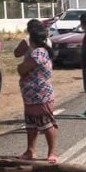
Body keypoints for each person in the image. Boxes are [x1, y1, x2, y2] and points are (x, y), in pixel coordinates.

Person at [17, 26, 58, 162]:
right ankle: (30, 150)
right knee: (31, 124)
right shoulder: (40, 51)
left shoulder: (38, 53)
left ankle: (51, 152)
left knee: (46, 123)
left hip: (41, 95)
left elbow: (22, 69)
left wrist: (20, 67)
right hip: (31, 95)